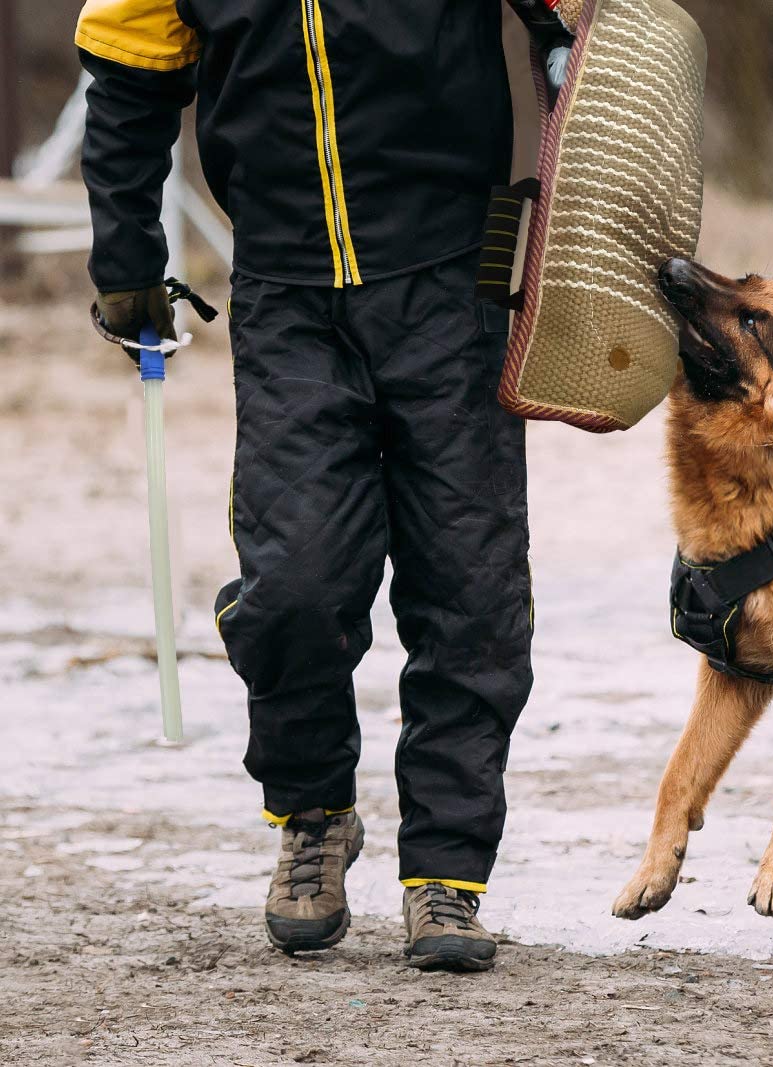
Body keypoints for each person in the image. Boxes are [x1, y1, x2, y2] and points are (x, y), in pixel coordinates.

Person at [76, 0, 575, 973]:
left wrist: (577, 104)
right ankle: (313, 815)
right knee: (292, 585)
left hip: (455, 274)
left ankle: (446, 870)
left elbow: (580, 28)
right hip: (284, 293)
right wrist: (126, 262)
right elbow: (128, 82)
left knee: (469, 589)